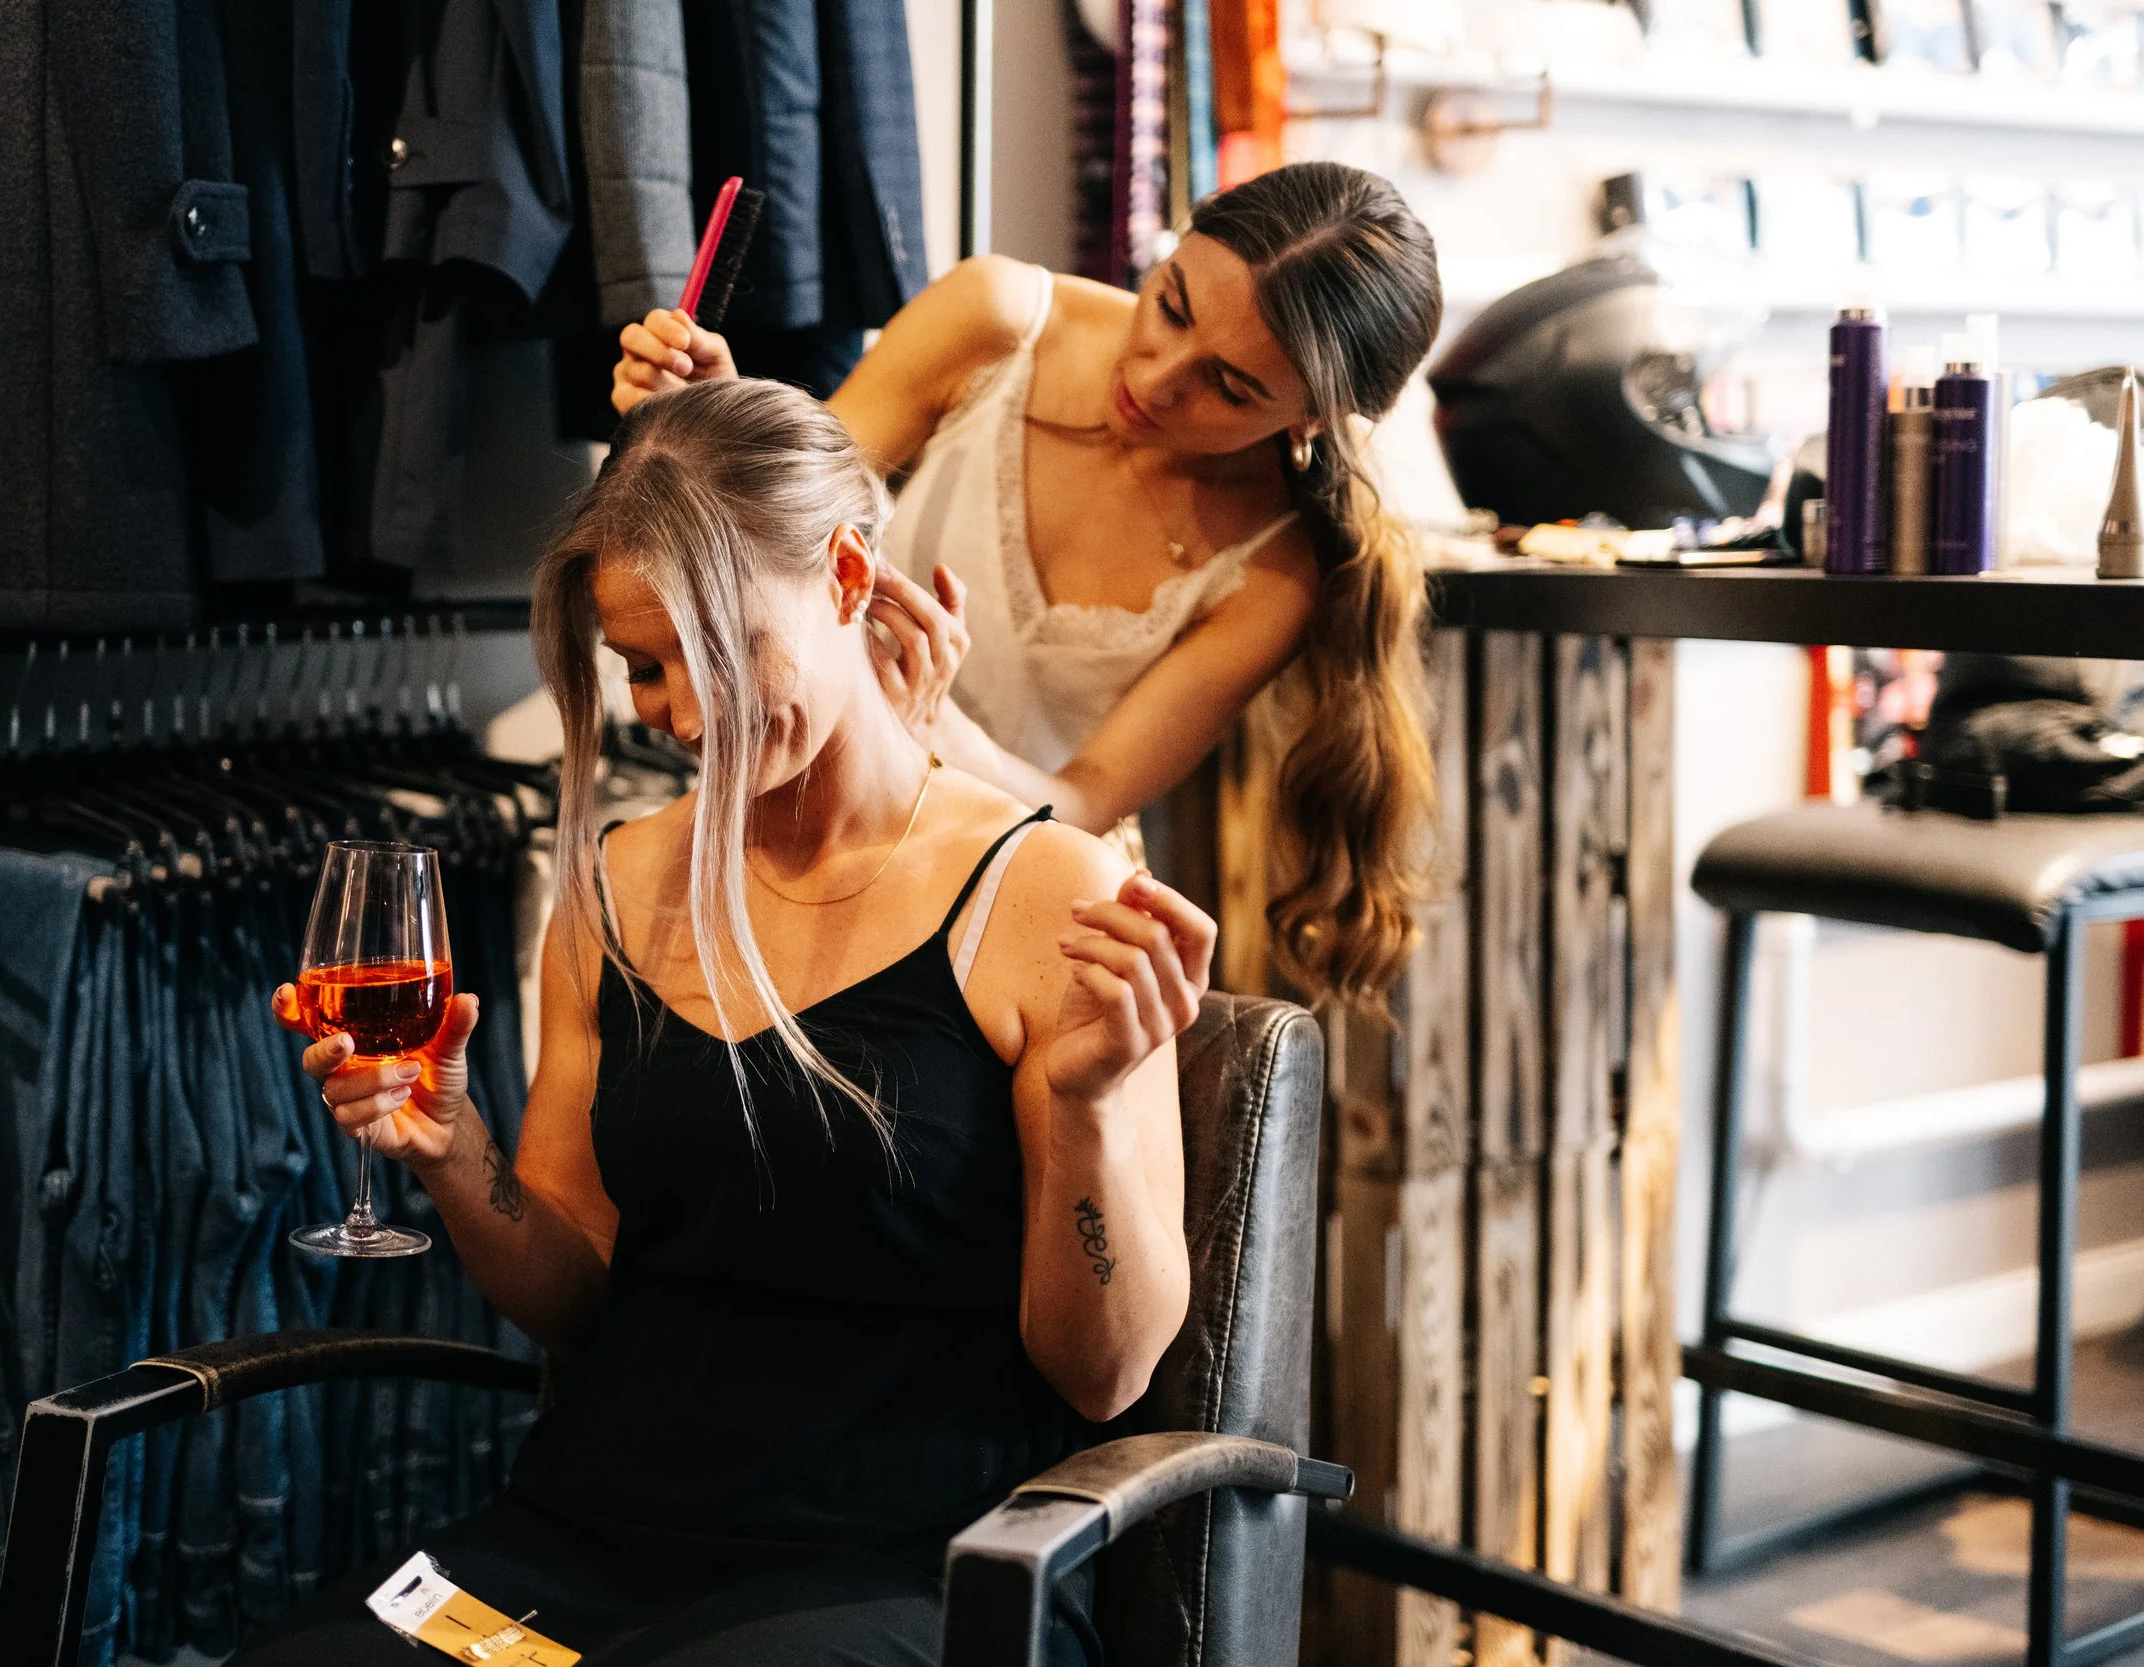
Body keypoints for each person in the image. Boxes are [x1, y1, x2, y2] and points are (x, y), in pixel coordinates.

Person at [233, 378, 1218, 1666]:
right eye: (643, 667)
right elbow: (576, 1298)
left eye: (716, 651)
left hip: (906, 1569)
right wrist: (452, 1148)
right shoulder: (612, 889)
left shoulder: (1047, 895)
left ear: (848, 577)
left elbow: (1108, 1374)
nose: (683, 715)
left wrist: (1087, 1107)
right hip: (582, 1540)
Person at [614, 161, 1444, 1004]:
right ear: (1173, 247)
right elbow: (788, 533)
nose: (1157, 379)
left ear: (1313, 420)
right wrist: (714, 428)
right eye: (1171, 306)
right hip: (781, 815)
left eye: (1229, 386)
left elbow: (1081, 801)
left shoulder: (1273, 573)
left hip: (1003, 894)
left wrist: (930, 721)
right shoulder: (996, 318)